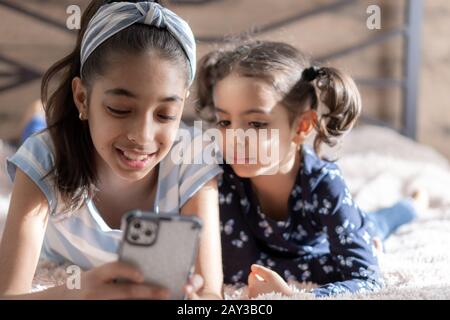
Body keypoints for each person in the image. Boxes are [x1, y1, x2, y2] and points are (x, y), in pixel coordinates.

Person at [0, 0, 223, 299]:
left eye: (165, 114)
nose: (142, 137)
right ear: (81, 98)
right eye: (120, 109)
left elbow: (211, 293)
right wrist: (77, 294)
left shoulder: (193, 156)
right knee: (34, 136)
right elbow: (8, 293)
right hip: (59, 139)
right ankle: (36, 117)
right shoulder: (43, 159)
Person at [195, 41, 427, 298]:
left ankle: (414, 203)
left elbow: (366, 279)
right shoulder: (219, 176)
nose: (234, 137)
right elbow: (236, 267)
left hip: (333, 241)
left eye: (257, 124)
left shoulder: (325, 183)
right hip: (309, 259)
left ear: (303, 127)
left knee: (378, 225)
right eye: (225, 121)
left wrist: (299, 296)